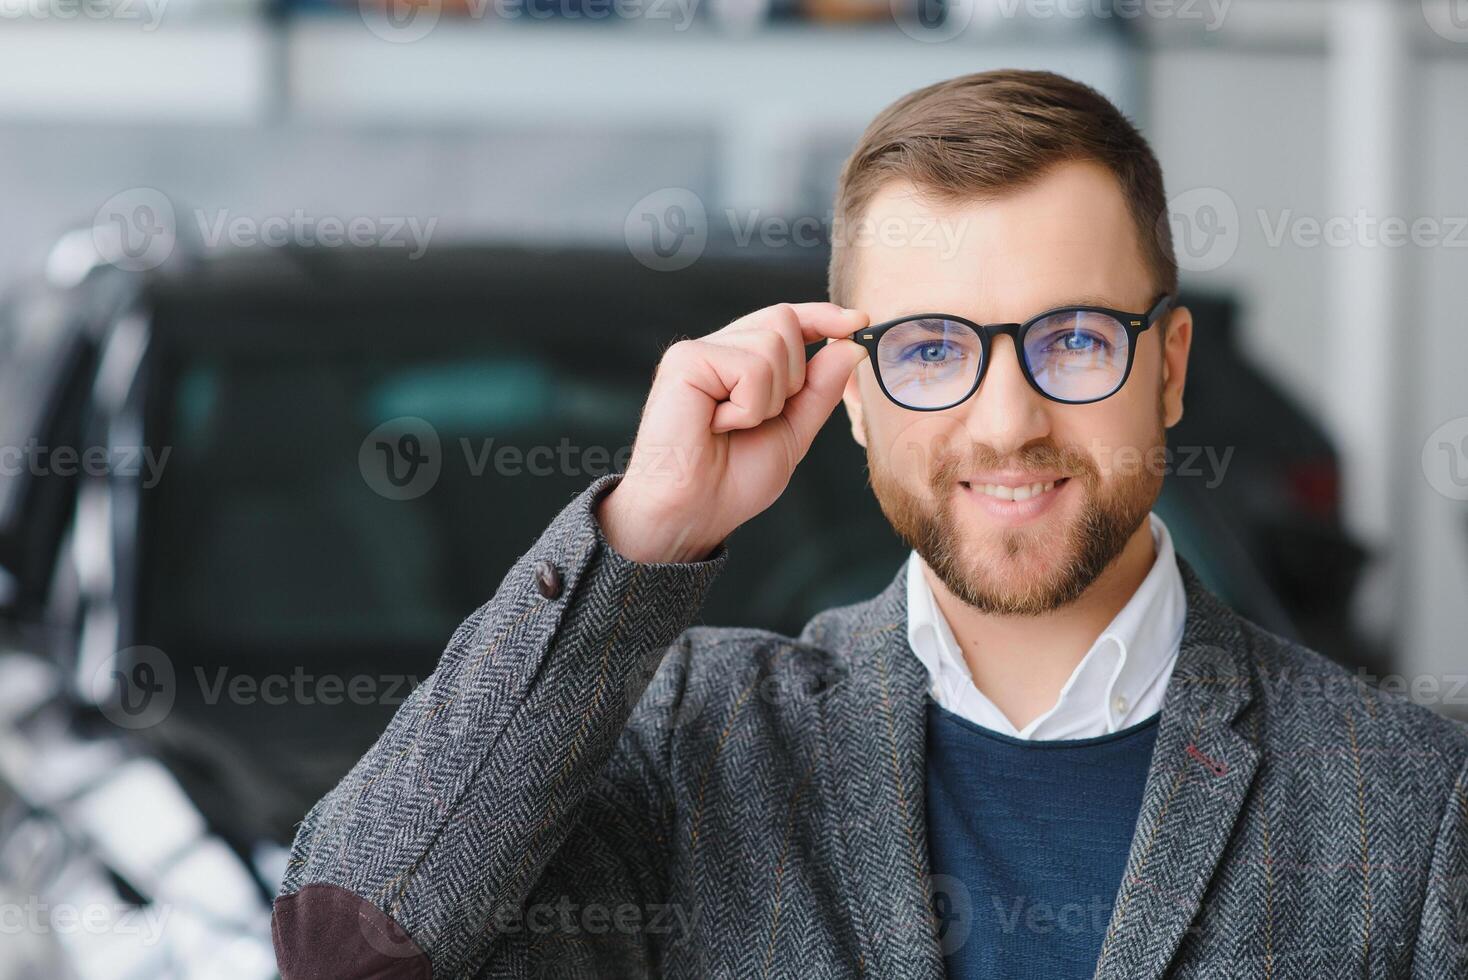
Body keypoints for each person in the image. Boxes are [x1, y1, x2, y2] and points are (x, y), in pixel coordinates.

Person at [271, 70, 1468, 979]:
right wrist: (641, 530)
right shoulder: (695, 742)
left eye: (1072, 340)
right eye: (933, 347)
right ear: (851, 393)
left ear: (1167, 366)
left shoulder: (1407, 802)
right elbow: (349, 944)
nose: (1007, 420)